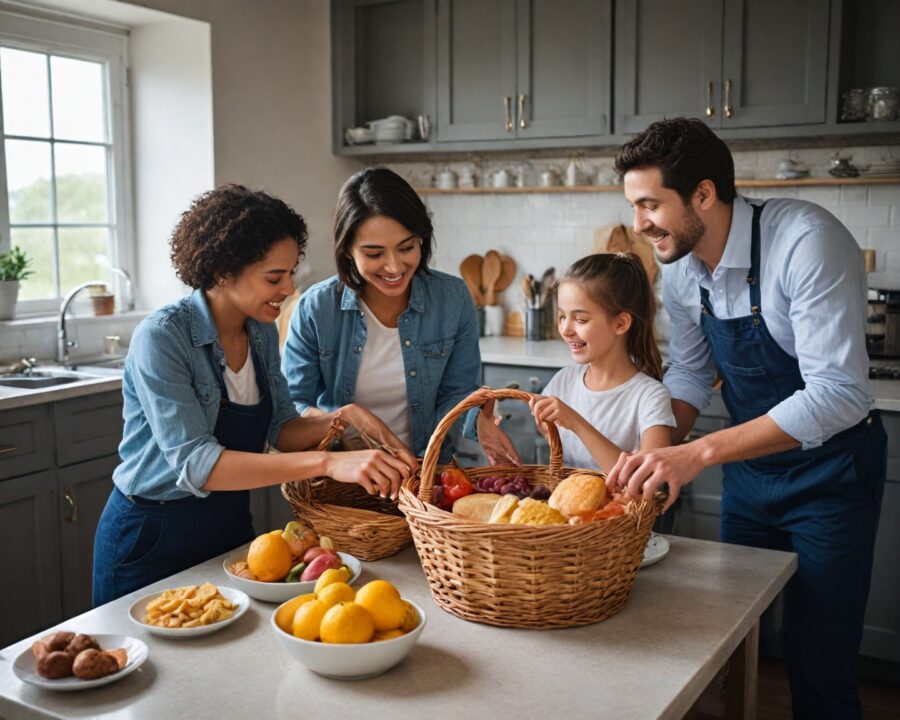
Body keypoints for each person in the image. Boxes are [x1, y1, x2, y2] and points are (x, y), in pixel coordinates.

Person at [607, 117, 886, 720]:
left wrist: (697, 453)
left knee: (819, 658)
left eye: (651, 204)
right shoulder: (681, 266)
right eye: (634, 206)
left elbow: (838, 393)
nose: (639, 224)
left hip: (832, 476)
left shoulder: (807, 241)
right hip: (751, 476)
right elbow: (688, 371)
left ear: (703, 194)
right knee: (733, 641)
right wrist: (656, 448)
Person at [93, 185, 416, 606]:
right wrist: (330, 462)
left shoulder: (259, 329)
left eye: (290, 273)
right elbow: (199, 465)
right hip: (152, 534)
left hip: (227, 526)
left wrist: (346, 417)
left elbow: (281, 427)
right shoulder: (163, 338)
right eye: (274, 277)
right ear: (223, 272)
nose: (289, 288)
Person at [281, 167, 517, 464]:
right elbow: (292, 406)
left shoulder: (452, 298)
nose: (394, 267)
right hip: (342, 477)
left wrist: (477, 421)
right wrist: (343, 422)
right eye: (374, 254)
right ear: (348, 251)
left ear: (422, 239)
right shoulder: (317, 309)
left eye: (406, 247)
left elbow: (457, 393)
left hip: (424, 474)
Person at [529, 253, 675, 472]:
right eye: (561, 317)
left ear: (620, 323)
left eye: (580, 319)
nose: (566, 330)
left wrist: (576, 423)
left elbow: (647, 483)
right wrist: (545, 426)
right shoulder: (563, 380)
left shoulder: (650, 397)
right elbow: (561, 447)